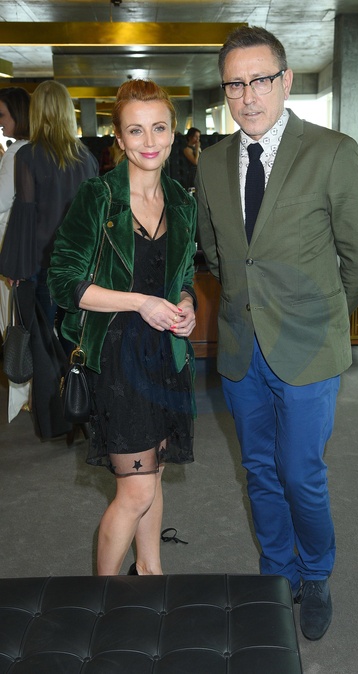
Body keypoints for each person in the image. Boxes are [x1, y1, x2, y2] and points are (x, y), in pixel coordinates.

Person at [195, 26, 358, 641]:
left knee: (301, 472)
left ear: (286, 80)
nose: (248, 96)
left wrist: (326, 314)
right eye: (235, 84)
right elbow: (216, 252)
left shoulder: (331, 152)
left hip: (309, 348)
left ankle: (316, 572)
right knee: (257, 469)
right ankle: (277, 570)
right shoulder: (213, 162)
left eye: (260, 80)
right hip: (240, 346)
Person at [48, 79, 197, 577]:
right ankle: (103, 598)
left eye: (159, 128)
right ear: (119, 137)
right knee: (135, 490)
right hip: (115, 359)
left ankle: (150, 573)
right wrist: (139, 303)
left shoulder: (181, 200)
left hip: (166, 358)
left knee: (153, 478)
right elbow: (63, 282)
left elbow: (183, 275)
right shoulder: (99, 196)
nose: (149, 141)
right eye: (136, 130)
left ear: (174, 131)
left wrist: (185, 304)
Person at [0, 80, 99, 330]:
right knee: (72, 334)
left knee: (40, 337)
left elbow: (24, 212)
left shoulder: (28, 155)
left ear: (36, 111)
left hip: (40, 261)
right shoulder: (87, 159)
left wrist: (15, 265)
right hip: (79, 262)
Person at [0, 86, 31, 422]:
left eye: (3, 114)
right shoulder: (36, 150)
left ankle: (22, 391)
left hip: (8, 244)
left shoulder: (15, 154)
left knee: (12, 323)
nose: (0, 121)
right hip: (25, 247)